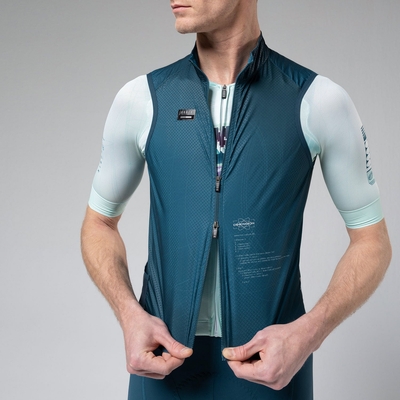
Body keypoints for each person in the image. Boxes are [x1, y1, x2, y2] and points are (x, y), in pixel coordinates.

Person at [81, 1, 392, 398]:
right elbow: (98, 224)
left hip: (273, 368)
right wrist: (129, 315)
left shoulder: (316, 100)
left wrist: (307, 334)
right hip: (161, 363)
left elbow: (372, 241)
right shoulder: (142, 99)